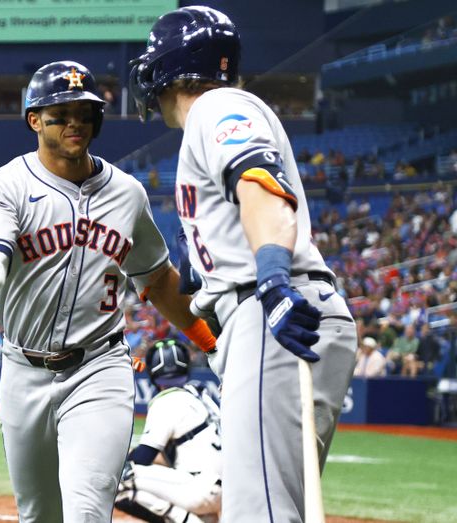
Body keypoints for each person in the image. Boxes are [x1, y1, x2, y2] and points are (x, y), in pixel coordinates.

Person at [0, 60, 218, 522]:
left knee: (88, 510)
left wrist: (215, 344)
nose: (76, 122)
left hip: (100, 366)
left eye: (85, 112)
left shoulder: (127, 193)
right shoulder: (3, 187)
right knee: (39, 514)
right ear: (34, 120)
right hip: (24, 370)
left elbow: (156, 281)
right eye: (61, 113)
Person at [130, 7, 358, 522]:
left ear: (168, 68)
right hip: (281, 310)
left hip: (271, 309)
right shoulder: (217, 117)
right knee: (271, 505)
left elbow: (258, 181)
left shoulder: (218, 107)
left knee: (257, 512)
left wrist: (274, 280)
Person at [115, 339, 222, 523]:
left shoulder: (167, 400)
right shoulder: (201, 395)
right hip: (223, 490)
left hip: (200, 488)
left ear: (152, 373)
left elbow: (144, 457)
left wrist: (125, 460)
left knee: (117, 478)